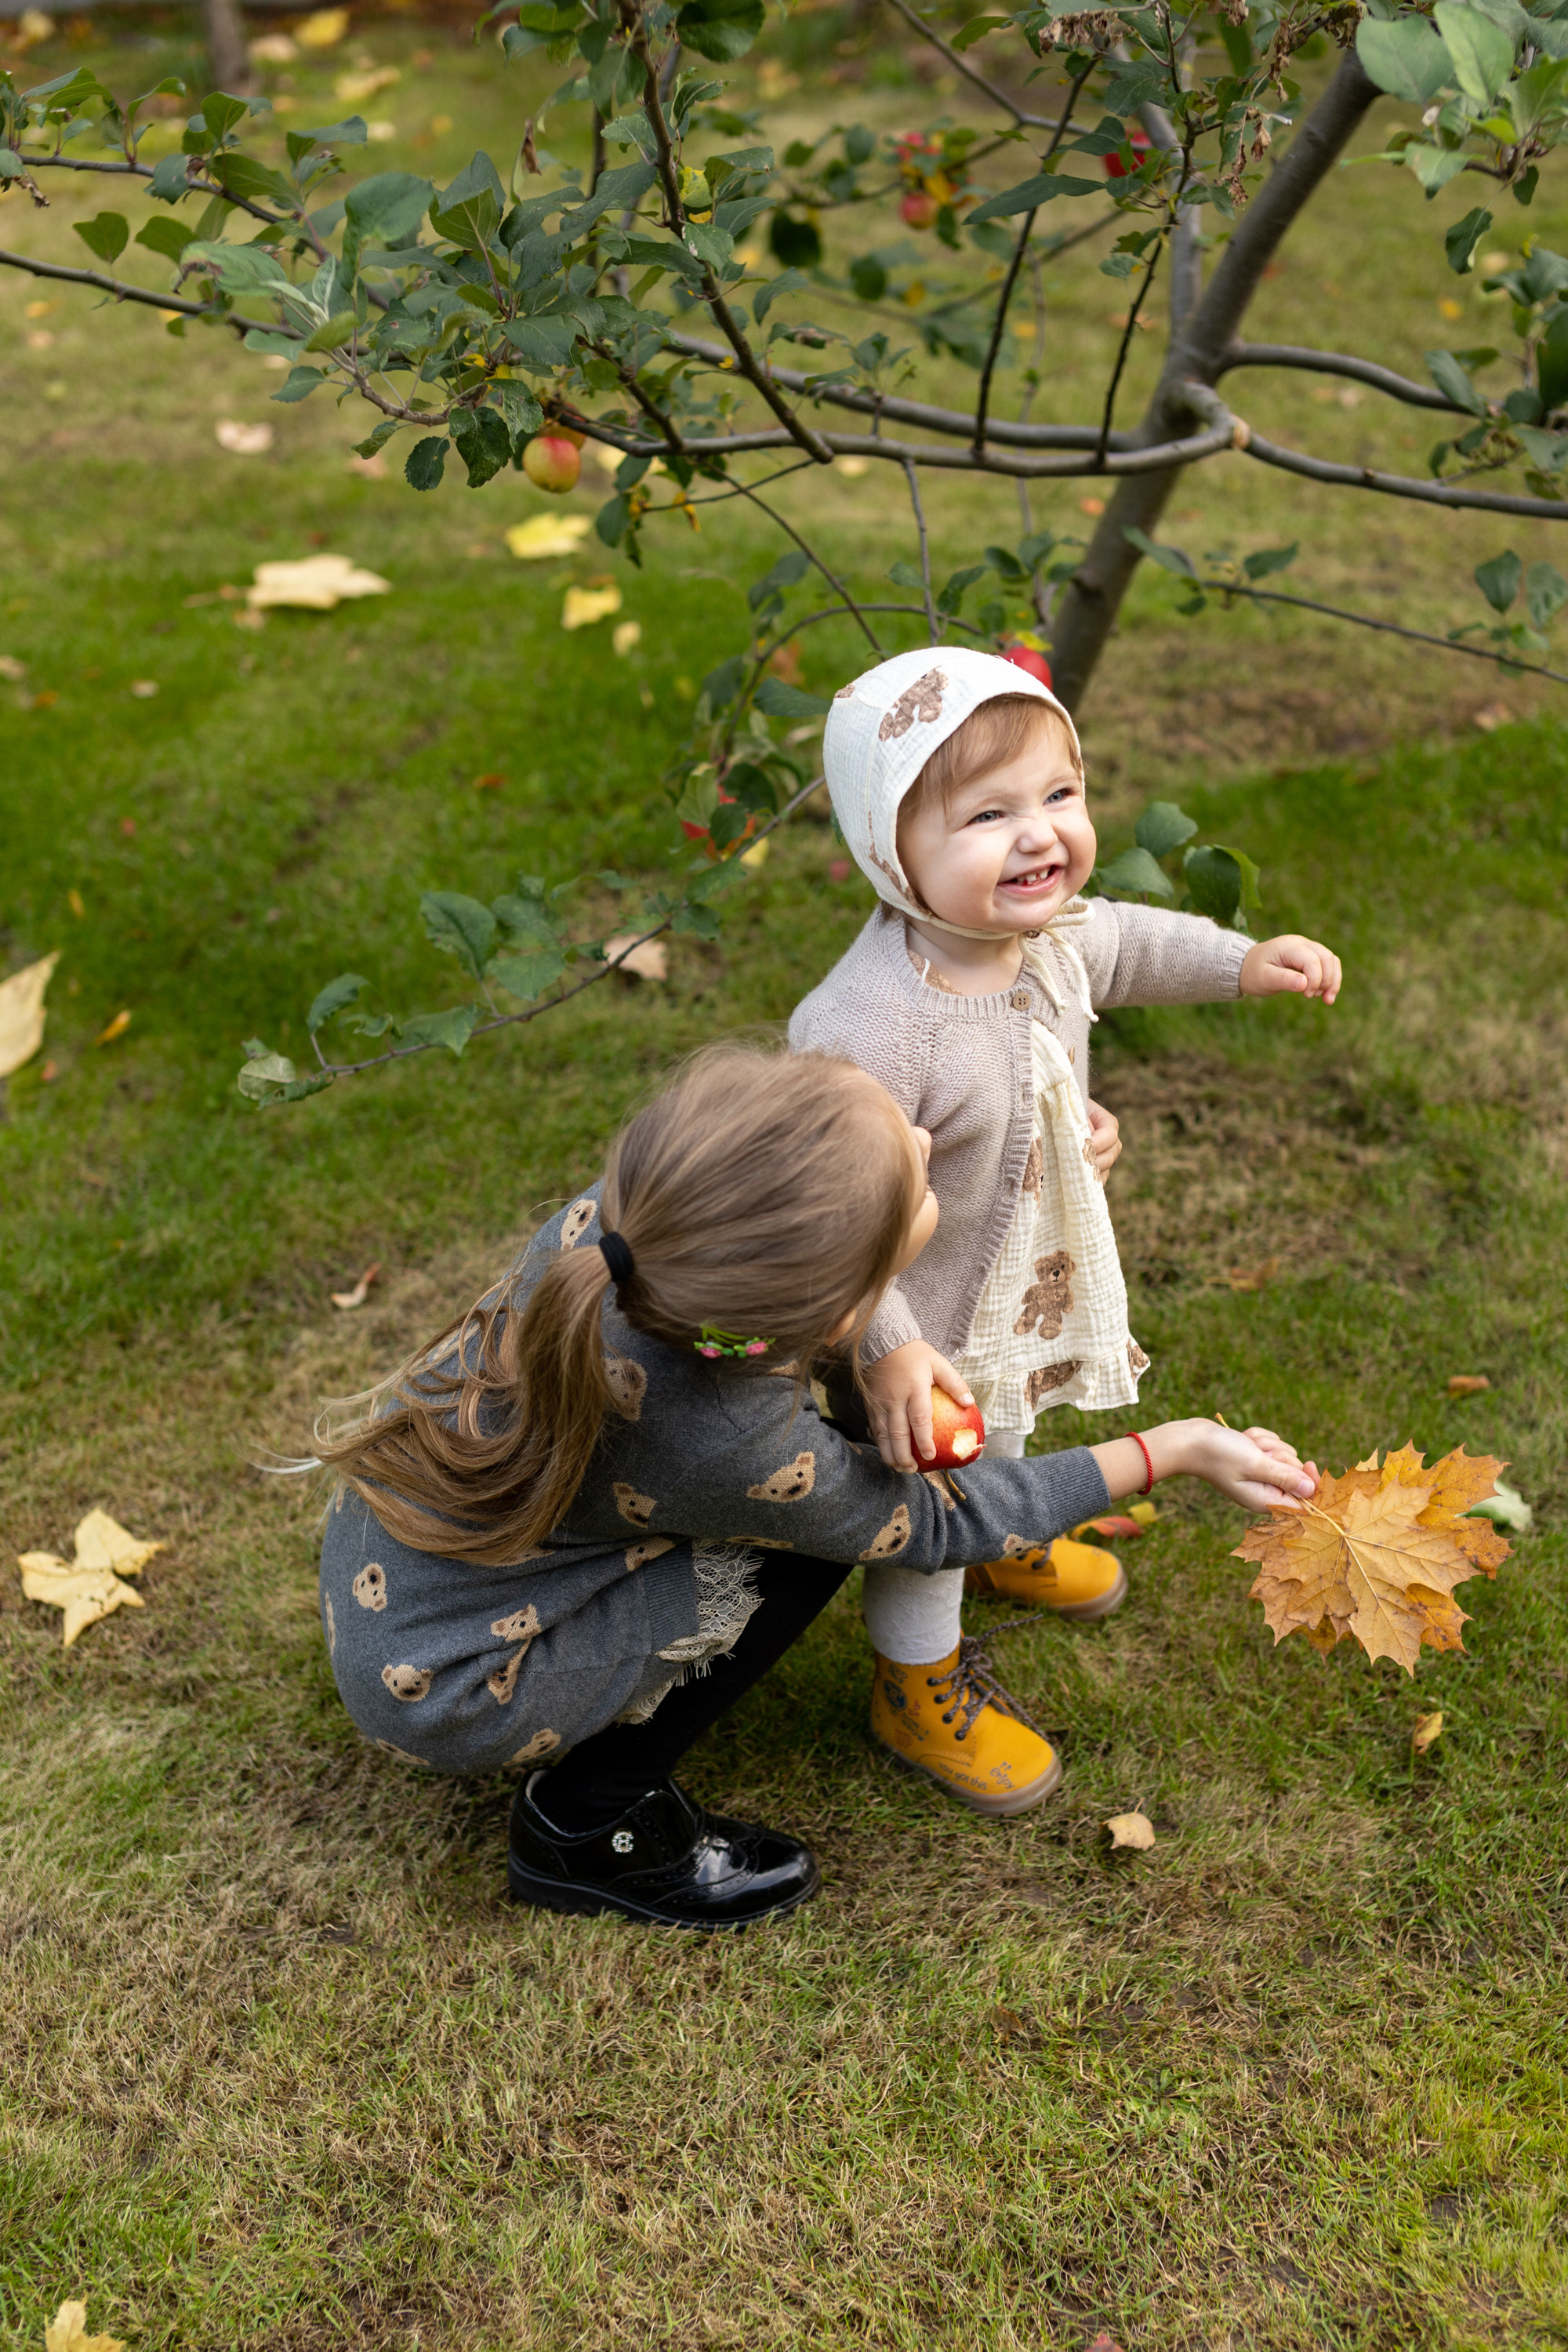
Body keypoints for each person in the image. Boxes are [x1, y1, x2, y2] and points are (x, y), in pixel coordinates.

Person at [307, 1044, 1318, 1931]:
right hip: (457, 1681)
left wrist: (889, 1334)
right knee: (817, 1543)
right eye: (916, 1178)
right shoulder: (730, 1440)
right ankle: (588, 1823)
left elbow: (822, 1282)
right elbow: (935, 1523)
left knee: (815, 1498)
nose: (924, 1140)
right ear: (832, 1312)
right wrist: (1172, 1449)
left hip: (402, 1565)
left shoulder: (646, 1224)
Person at [790, 647, 1342, 1814]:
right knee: (937, 1499)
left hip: (1020, 1275)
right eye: (987, 815)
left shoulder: (1044, 939)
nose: (1040, 834)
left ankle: (1010, 1537)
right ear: (891, 849)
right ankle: (916, 1684)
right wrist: (888, 1348)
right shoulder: (869, 1027)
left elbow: (1131, 944)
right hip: (921, 1323)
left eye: (1058, 794)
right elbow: (832, 1221)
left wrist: (1244, 962)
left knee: (1017, 1423)